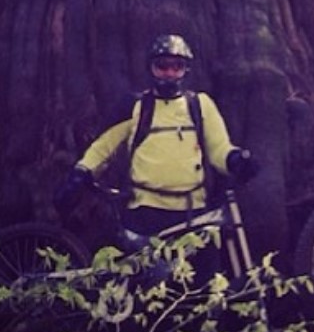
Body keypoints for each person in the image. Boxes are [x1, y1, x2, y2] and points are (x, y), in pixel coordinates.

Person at [54, 33, 258, 237]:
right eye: (162, 66)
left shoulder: (200, 104)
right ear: (151, 69)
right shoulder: (135, 106)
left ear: (186, 70)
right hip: (144, 214)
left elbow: (219, 149)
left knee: (201, 269)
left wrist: (235, 160)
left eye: (176, 67)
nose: (169, 73)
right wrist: (81, 173)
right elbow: (104, 147)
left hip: (193, 213)